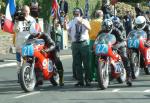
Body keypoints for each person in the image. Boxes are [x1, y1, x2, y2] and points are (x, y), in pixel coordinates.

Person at [97, 19, 132, 86]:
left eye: (106, 27)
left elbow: (123, 41)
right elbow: (97, 40)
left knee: (124, 57)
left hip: (117, 46)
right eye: (104, 27)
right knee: (96, 57)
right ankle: (103, 75)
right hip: (107, 47)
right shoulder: (101, 32)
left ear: (110, 26)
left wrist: (118, 45)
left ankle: (128, 77)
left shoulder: (116, 31)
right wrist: (94, 46)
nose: (105, 29)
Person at [64, 7, 91, 87]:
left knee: (86, 63)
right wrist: (65, 23)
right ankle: (80, 81)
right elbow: (66, 29)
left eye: (78, 13)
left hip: (84, 43)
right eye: (75, 13)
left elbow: (89, 29)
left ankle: (87, 80)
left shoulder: (85, 21)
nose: (76, 14)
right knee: (77, 64)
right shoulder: (72, 22)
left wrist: (82, 23)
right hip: (75, 44)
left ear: (81, 14)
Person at [14, 5, 36, 82]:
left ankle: (28, 75)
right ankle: (19, 77)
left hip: (28, 44)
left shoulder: (32, 19)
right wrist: (16, 22)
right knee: (18, 62)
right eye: (24, 11)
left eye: (27, 11)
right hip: (19, 44)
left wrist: (27, 22)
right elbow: (15, 30)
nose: (25, 12)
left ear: (29, 11)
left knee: (28, 61)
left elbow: (33, 32)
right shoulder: (19, 19)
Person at [88, 10, 103, 81]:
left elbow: (88, 31)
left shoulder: (90, 22)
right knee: (100, 59)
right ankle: (98, 76)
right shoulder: (102, 22)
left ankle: (91, 76)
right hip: (100, 41)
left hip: (91, 41)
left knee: (91, 60)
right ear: (101, 16)